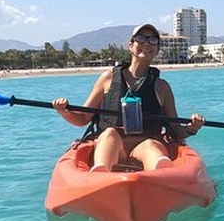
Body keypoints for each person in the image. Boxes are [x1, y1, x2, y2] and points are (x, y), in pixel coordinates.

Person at [52, 23, 205, 172]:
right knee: (110, 134)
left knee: (151, 145)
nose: (147, 43)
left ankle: (162, 177)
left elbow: (176, 130)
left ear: (157, 49)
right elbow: (83, 118)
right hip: (113, 146)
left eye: (153, 40)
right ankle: (101, 175)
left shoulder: (162, 87)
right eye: (141, 38)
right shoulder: (108, 78)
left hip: (143, 146)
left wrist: (192, 128)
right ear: (130, 45)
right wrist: (64, 111)